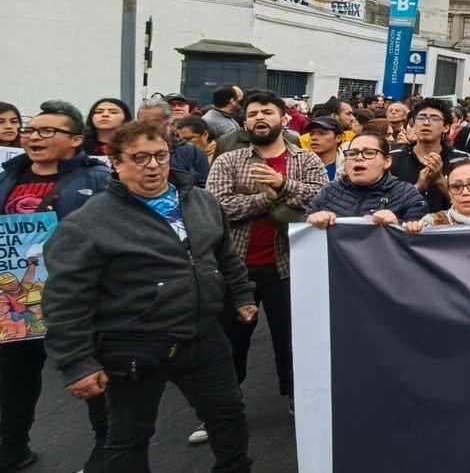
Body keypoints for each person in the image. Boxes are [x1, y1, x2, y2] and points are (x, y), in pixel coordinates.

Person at [42, 120, 256, 472]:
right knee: (129, 436)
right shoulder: (87, 224)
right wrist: (77, 362)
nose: (153, 166)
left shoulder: (201, 201)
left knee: (229, 416)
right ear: (116, 162)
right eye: (140, 157)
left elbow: (225, 257)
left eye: (160, 155)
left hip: (204, 337)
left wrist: (243, 294)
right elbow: (65, 302)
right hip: (134, 346)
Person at [201, 91, 325, 442]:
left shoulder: (307, 160)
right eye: (252, 113)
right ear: (244, 121)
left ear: (283, 119)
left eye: (267, 112)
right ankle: (224, 407)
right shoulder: (229, 161)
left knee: (291, 342)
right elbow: (217, 208)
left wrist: (283, 184)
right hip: (236, 268)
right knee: (229, 342)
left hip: (291, 266)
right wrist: (264, 198)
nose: (259, 117)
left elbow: (322, 197)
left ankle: (299, 402)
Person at [0, 101, 111, 470]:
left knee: (91, 374)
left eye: (48, 131)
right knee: (14, 378)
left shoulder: (97, 179)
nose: (34, 136)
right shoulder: (6, 176)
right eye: (31, 130)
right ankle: (12, 447)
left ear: (76, 140)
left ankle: (109, 450)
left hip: (78, 296)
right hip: (18, 297)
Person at [305, 134, 431, 227]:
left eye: (369, 153)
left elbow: (421, 240)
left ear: (387, 161)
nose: (359, 158)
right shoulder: (329, 191)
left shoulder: (407, 194)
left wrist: (397, 224)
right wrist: (311, 221)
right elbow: (300, 230)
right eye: (352, 153)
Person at [385, 98, 470, 214]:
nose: (426, 123)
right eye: (421, 117)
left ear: (446, 127)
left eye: (434, 118)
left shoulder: (462, 159)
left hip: (447, 229)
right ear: (414, 125)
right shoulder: (392, 159)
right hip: (403, 228)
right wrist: (418, 186)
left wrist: (440, 180)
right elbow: (384, 204)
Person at [135, 96, 210, 184]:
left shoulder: (193, 152)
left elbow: (202, 188)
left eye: (155, 123)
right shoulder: (129, 150)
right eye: (144, 123)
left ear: (170, 124)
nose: (149, 128)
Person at [304, 117, 345, 182]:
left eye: (322, 133)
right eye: (311, 134)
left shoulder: (347, 166)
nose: (314, 138)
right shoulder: (300, 164)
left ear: (338, 138)